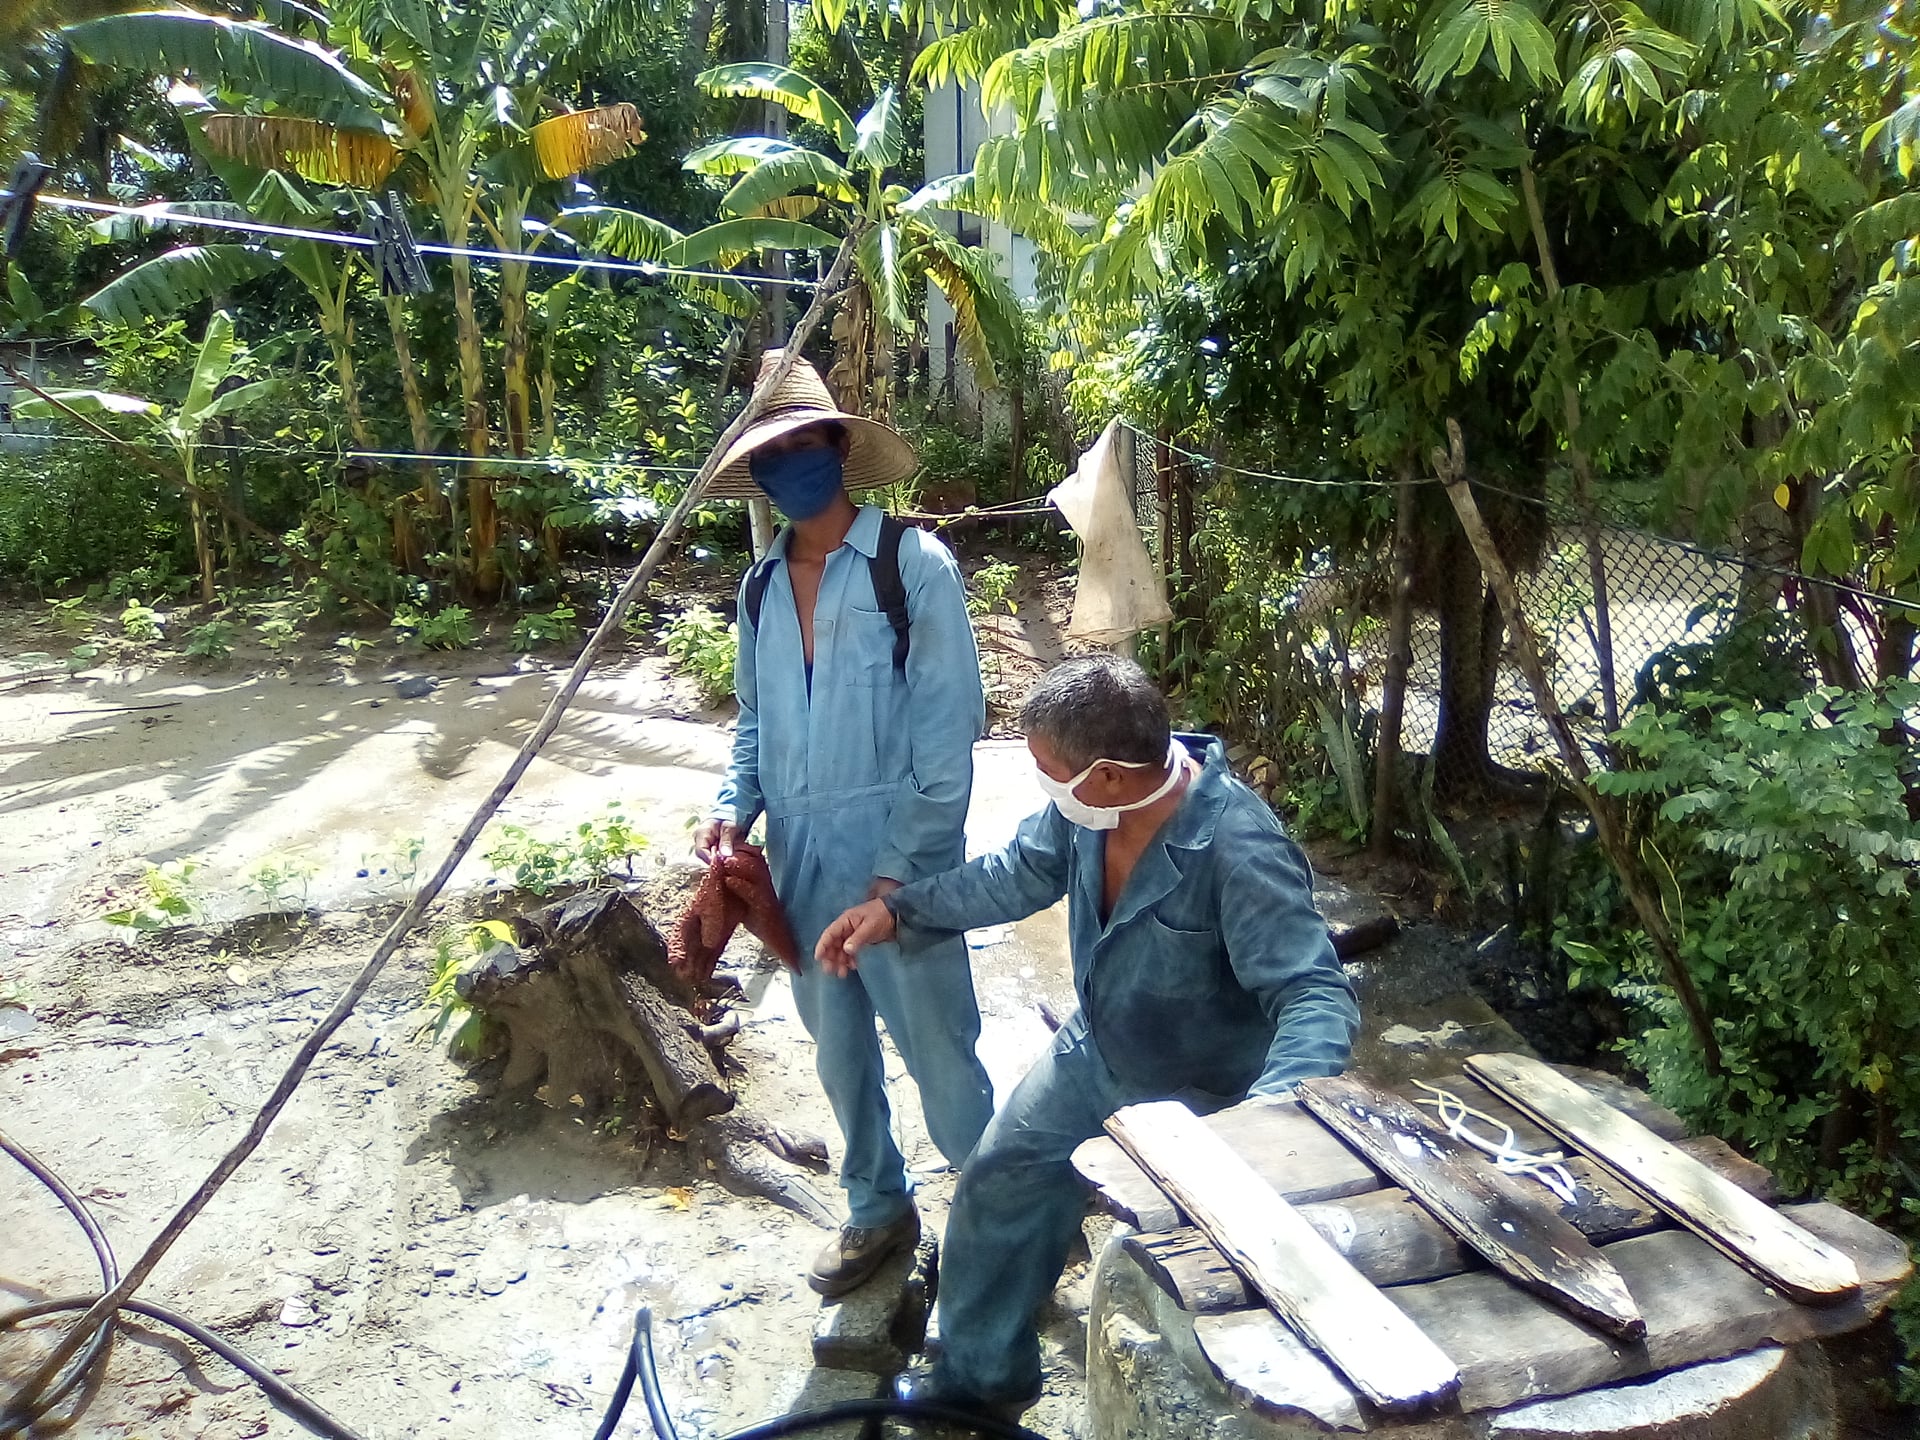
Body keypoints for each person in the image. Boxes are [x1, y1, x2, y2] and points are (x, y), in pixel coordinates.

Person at [816, 654, 1360, 1420]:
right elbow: (1016, 873)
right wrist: (902, 911)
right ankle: (979, 1381)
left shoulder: (1239, 850)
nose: (1042, 783)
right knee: (997, 1181)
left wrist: (1271, 1125)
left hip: (1206, 1100)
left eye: (1047, 771)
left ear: (1107, 774)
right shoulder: (1085, 816)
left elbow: (1312, 994)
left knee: (1185, 1287)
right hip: (1099, 1049)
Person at [692, 350, 994, 1298]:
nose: (789, 465)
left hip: (903, 862)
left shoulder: (914, 567)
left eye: (802, 444)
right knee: (839, 1052)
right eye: (770, 453)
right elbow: (753, 726)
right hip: (802, 861)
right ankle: (877, 1208)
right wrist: (729, 811)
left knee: (941, 1052)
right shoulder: (759, 590)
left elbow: (949, 740)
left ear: (835, 446)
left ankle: (999, 1216)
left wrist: (898, 875)